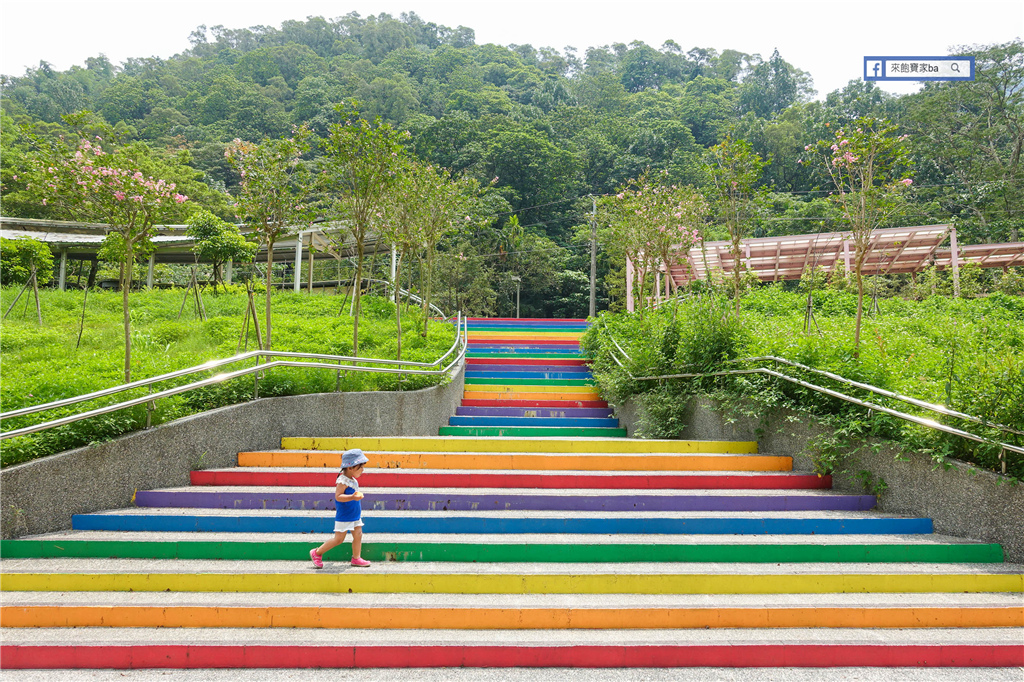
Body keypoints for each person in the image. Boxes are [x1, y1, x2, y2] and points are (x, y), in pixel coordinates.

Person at [310, 448, 371, 568]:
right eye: (360, 467)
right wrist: (352, 496)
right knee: (338, 539)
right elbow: (338, 497)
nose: (363, 470)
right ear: (350, 468)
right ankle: (317, 553)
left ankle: (356, 558)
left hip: (354, 514)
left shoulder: (352, 480)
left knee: (358, 534)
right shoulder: (342, 481)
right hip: (345, 516)